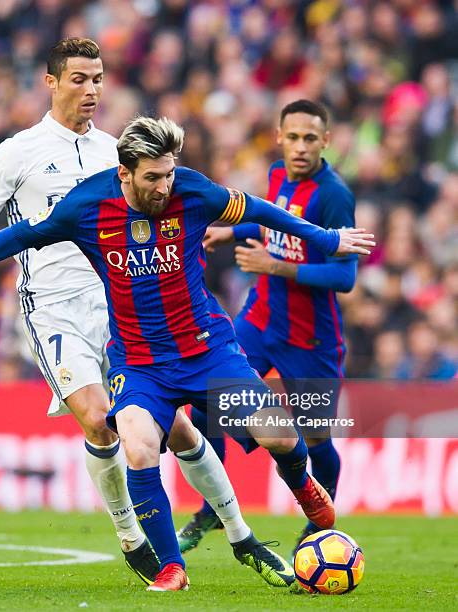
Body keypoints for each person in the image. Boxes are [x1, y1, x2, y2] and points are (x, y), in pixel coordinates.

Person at [0, 116, 374, 591]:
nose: (164, 186)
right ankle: (172, 567)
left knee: (277, 435)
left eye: (169, 173)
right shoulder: (87, 205)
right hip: (139, 363)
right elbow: (17, 237)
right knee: (137, 443)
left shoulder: (194, 192)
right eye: (154, 177)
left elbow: (262, 210)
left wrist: (327, 239)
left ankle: (304, 488)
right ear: (124, 173)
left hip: (206, 350)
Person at [0, 38, 299, 589]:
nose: (92, 90)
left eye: (98, 79)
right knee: (97, 418)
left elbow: (164, 211)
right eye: (80, 79)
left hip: (120, 309)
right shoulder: (17, 151)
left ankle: (240, 534)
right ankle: (133, 538)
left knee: (177, 429)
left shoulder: (118, 153)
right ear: (52, 82)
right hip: (54, 309)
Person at [179, 99, 358, 555]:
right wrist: (232, 232)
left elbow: (345, 276)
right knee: (207, 408)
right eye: (293, 137)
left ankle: (320, 524)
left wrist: (274, 267)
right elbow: (270, 225)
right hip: (258, 323)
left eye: (310, 139)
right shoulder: (278, 174)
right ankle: (212, 509)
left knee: (316, 436)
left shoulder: (334, 195)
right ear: (279, 136)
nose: (300, 147)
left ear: (326, 142)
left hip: (310, 340)